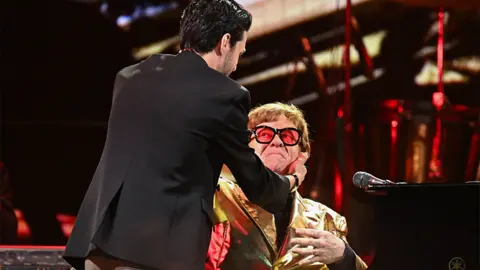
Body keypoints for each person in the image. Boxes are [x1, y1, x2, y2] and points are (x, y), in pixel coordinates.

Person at [63, 1, 308, 270]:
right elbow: (255, 182)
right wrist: (291, 180)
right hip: (159, 251)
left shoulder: (130, 77)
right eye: (240, 51)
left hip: (98, 243)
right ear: (225, 42)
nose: (236, 64)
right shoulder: (225, 95)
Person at [205, 103, 367, 270]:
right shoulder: (214, 193)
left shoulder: (327, 220)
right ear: (244, 149)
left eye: (288, 136)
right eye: (264, 134)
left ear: (303, 153)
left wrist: (344, 256)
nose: (277, 141)